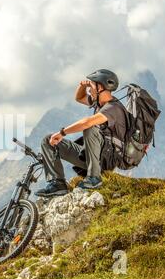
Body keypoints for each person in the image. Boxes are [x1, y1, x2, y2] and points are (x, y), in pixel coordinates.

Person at [35, 69, 127, 197]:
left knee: (90, 128)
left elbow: (87, 123)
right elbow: (79, 97)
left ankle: (94, 178)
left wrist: (62, 132)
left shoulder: (113, 108)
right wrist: (83, 85)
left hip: (106, 160)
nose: (90, 88)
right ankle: (58, 184)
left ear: (100, 87)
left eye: (92, 85)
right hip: (92, 155)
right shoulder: (99, 102)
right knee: (48, 140)